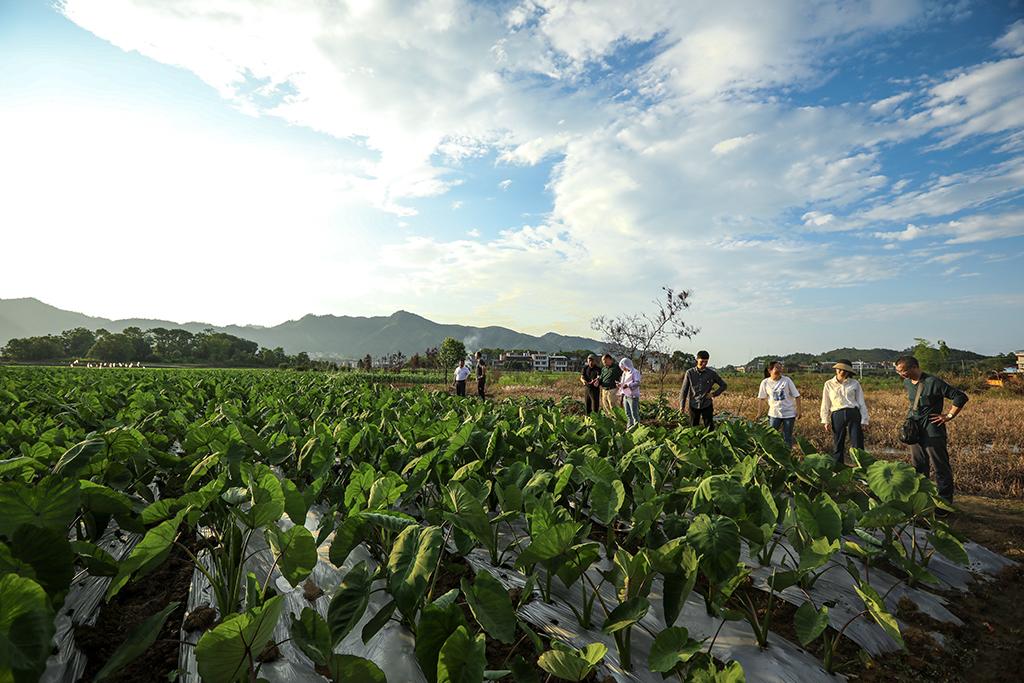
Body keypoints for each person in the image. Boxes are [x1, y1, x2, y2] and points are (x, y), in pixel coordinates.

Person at [895, 355, 968, 508]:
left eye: (904, 370)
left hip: (932, 431)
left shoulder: (933, 382)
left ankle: (945, 502)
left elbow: (960, 397)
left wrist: (949, 416)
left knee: (940, 467)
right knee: (919, 467)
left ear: (915, 367)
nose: (902, 374)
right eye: (899, 372)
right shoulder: (907, 382)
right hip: (914, 431)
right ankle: (924, 501)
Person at [819, 360, 869, 464]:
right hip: (837, 414)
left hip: (853, 414)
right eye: (840, 369)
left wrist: (865, 419)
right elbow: (825, 403)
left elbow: (861, 402)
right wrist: (825, 420)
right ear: (836, 369)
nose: (842, 372)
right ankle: (838, 470)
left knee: (857, 444)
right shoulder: (829, 384)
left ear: (849, 372)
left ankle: (861, 471)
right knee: (838, 444)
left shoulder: (855, 384)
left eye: (845, 370)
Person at [756, 361, 802, 449]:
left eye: (780, 368)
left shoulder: (787, 380)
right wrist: (759, 413)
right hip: (774, 413)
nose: (779, 370)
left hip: (789, 413)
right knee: (771, 436)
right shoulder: (765, 383)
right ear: (769, 370)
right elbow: (762, 399)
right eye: (777, 368)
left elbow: (797, 396)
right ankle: (771, 456)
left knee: (788, 437)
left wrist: (799, 411)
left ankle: (787, 456)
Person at [679, 350, 727, 429]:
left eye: (706, 362)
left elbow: (723, 385)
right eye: (702, 361)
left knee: (709, 429)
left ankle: (709, 441)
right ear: (697, 359)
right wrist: (682, 405)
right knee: (693, 429)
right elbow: (684, 390)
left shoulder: (711, 373)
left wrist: (713, 394)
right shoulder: (690, 373)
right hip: (693, 404)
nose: (704, 364)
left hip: (706, 404)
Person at [616, 358, 642, 429]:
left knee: (634, 414)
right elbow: (623, 382)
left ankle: (637, 428)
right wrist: (620, 384)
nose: (622, 368)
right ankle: (629, 428)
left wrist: (628, 385)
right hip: (625, 395)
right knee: (628, 414)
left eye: (623, 366)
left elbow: (638, 382)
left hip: (632, 395)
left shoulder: (635, 372)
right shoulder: (624, 373)